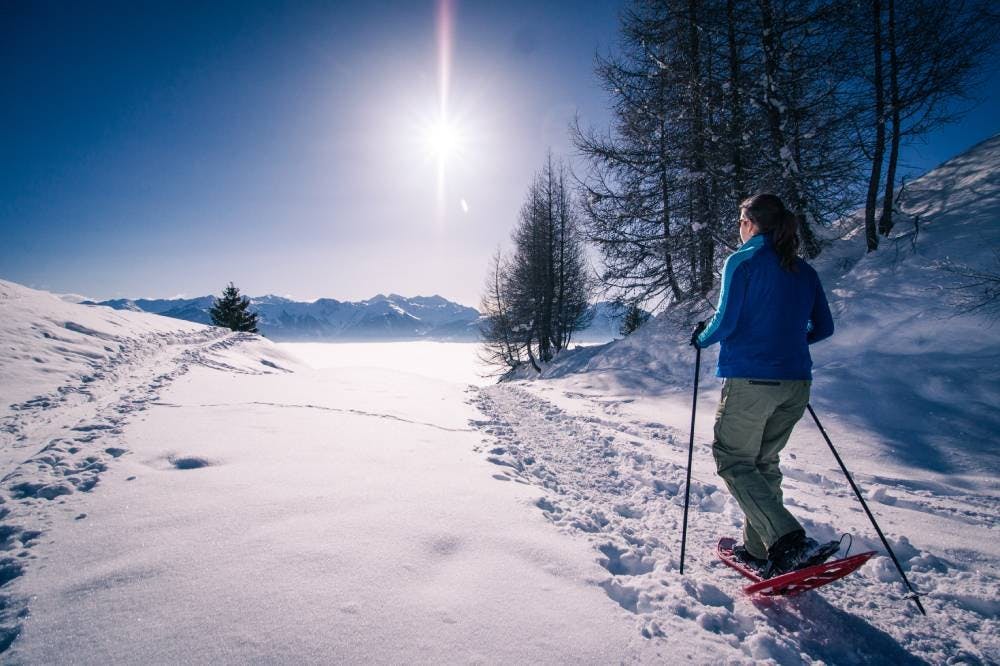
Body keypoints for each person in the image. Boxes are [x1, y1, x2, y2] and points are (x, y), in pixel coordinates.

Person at [691, 193, 839, 579]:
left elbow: (725, 322)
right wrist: (786, 341)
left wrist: (700, 338)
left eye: (740, 222)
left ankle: (788, 541)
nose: (739, 229)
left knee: (733, 459)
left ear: (750, 223)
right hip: (795, 383)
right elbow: (823, 327)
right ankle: (759, 551)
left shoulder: (743, 260)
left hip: (752, 381)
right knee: (762, 462)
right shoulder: (804, 270)